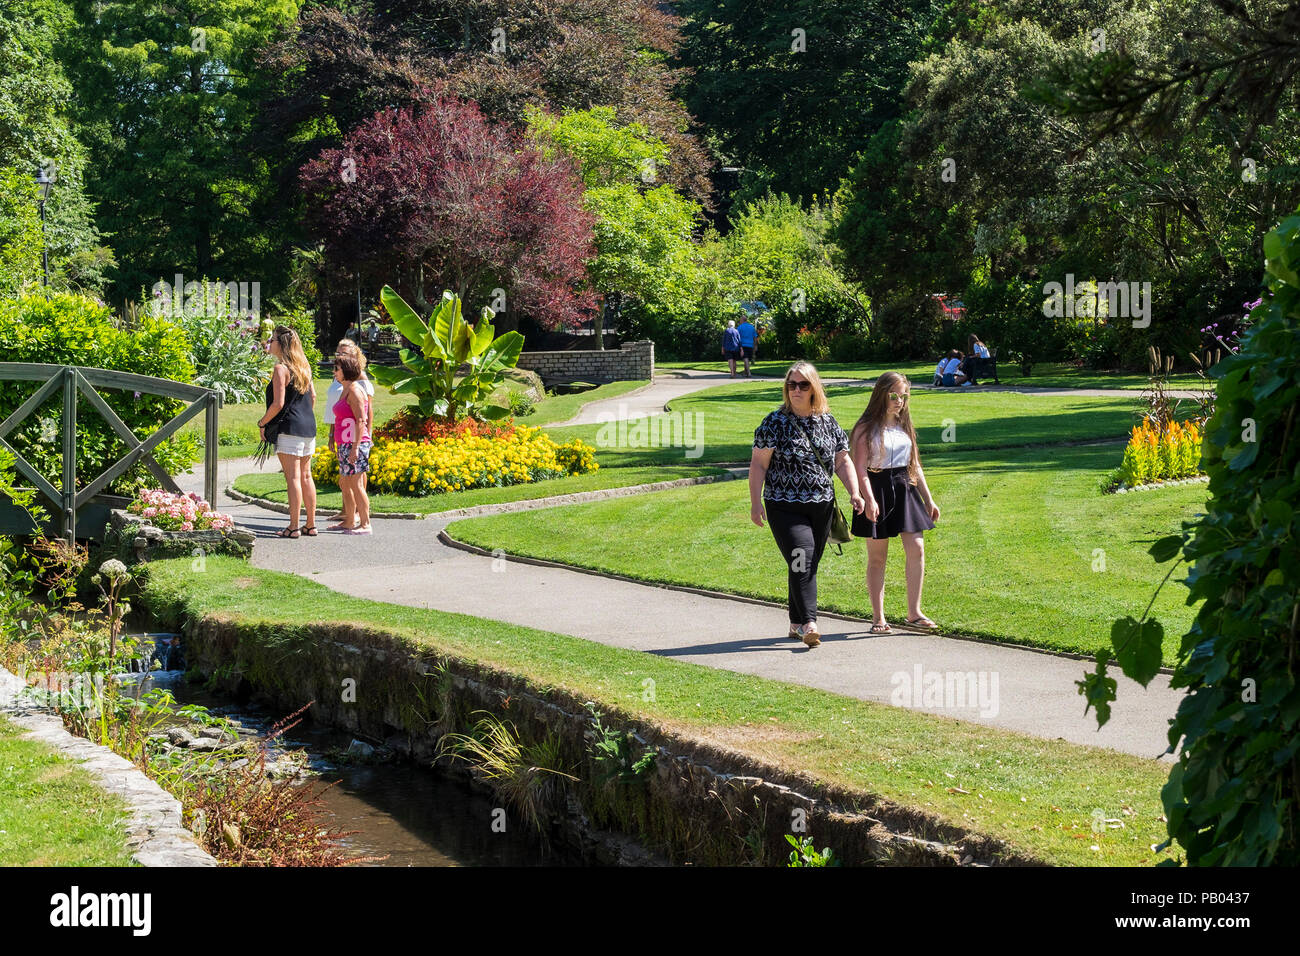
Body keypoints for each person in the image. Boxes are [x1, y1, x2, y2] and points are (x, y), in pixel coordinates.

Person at [750, 362, 866, 647]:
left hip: (821, 506)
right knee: (802, 557)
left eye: (803, 385)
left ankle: (794, 621)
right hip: (783, 505)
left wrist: (855, 492)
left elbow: (842, 460)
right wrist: (755, 503)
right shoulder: (774, 422)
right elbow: (758, 464)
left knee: (805, 563)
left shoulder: (828, 421)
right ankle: (809, 623)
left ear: (814, 388)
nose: (796, 390)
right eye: (791, 384)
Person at [849, 372, 940, 633]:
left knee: (917, 549)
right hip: (876, 489)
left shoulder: (904, 425)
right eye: (894, 395)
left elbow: (915, 465)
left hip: (904, 489)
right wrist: (868, 499)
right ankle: (878, 617)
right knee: (878, 558)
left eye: (903, 396)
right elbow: (860, 469)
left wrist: (928, 498)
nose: (899, 401)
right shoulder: (865, 427)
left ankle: (914, 612)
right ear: (881, 394)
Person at [257, 326, 318, 538]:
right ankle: (310, 524)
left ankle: (293, 526)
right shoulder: (304, 367)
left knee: (292, 478)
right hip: (309, 427)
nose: (269, 343)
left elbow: (278, 404)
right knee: (306, 476)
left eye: (272, 340)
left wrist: (262, 423)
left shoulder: (280, 369)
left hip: (289, 428)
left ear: (281, 345)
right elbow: (313, 398)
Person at [322, 339, 375, 526]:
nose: (339, 357)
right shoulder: (340, 380)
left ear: (354, 356)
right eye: (338, 353)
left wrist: (362, 441)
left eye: (344, 354)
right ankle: (348, 515)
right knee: (345, 481)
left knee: (356, 482)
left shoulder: (359, 383)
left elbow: (365, 414)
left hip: (355, 439)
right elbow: (335, 410)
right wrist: (331, 434)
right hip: (343, 437)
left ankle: (362, 518)